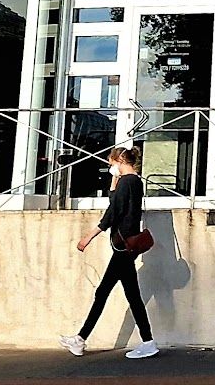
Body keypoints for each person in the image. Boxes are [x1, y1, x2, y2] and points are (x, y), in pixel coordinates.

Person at [61, 146, 157, 359]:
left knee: (105, 292)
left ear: (121, 160)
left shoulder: (127, 182)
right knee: (129, 295)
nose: (110, 166)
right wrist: (114, 183)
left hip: (122, 247)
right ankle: (147, 341)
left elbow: (113, 213)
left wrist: (89, 236)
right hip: (126, 247)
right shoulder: (134, 181)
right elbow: (117, 203)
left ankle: (81, 339)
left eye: (112, 163)